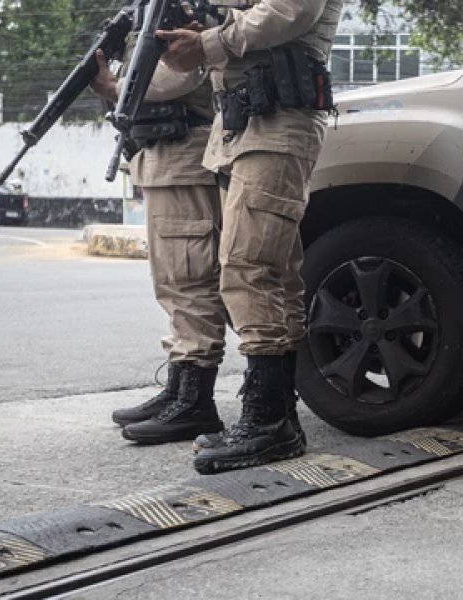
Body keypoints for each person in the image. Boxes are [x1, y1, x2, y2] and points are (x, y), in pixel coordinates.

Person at [156, 0, 343, 475]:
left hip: (278, 120)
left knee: (249, 267)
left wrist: (207, 42)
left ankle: (269, 422)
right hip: (245, 121)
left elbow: (289, 11)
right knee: (272, 271)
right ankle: (272, 414)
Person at [90, 40, 229, 447]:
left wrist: (117, 88)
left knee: (191, 278)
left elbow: (178, 75)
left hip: (186, 152)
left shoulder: (185, 9)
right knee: (171, 281)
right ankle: (179, 390)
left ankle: (195, 402)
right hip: (163, 156)